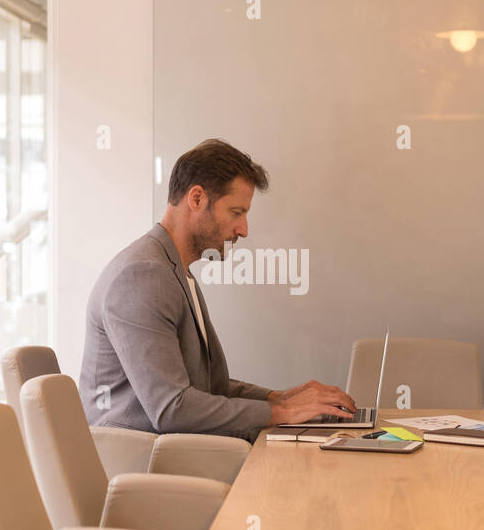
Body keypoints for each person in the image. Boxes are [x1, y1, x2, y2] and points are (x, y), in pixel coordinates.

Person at [80, 138, 355, 441]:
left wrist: (277, 399)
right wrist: (282, 414)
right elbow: (171, 408)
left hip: (169, 451)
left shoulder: (173, 270)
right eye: (236, 212)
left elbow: (205, 388)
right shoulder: (143, 276)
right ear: (196, 199)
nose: (244, 230)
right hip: (142, 462)